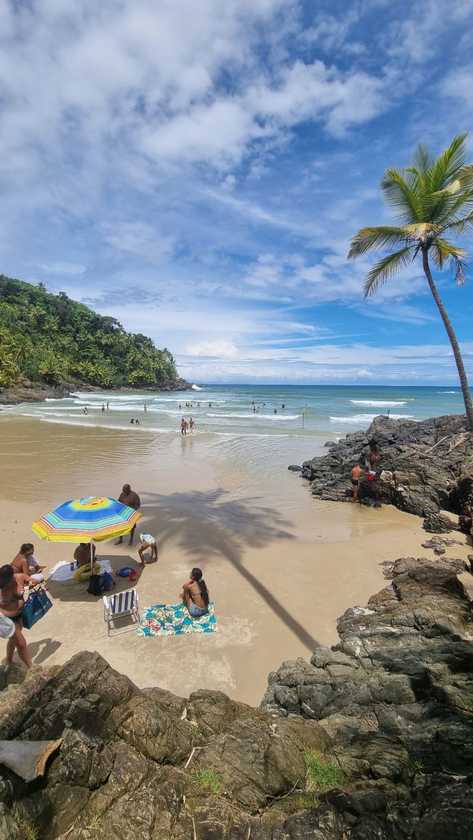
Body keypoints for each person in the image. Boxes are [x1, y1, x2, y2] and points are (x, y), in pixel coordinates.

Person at [0, 565, 32, 669]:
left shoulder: (19, 577)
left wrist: (29, 586)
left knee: (13, 640)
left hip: (19, 616)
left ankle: (9, 660)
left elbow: (33, 580)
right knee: (21, 643)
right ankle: (31, 668)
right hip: (6, 618)